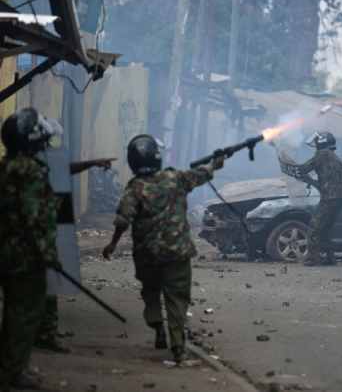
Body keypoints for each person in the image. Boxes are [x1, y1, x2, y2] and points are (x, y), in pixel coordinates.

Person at [103, 134, 225, 364]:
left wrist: (112, 244)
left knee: (151, 293)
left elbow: (123, 220)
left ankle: (157, 327)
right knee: (177, 298)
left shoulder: (134, 188)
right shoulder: (175, 178)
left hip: (147, 254)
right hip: (177, 253)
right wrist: (216, 162)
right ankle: (178, 345)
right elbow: (204, 173)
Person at [0, 108, 64, 391]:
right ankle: (13, 372)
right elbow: (35, 218)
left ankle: (10, 368)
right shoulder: (32, 172)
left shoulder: (6, 167)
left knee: (13, 312)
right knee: (24, 315)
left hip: (7, 250)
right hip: (25, 256)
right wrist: (49, 256)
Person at [36, 158, 115, 354]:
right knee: (31, 297)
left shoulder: (14, 169)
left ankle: (41, 334)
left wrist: (91, 163)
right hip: (30, 246)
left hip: (20, 247)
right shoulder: (30, 171)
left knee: (32, 295)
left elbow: (62, 168)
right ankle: (32, 343)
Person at [280, 132, 342, 266]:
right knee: (326, 227)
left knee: (315, 226)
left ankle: (313, 258)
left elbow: (304, 169)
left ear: (321, 142)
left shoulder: (322, 154)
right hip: (341, 196)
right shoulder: (331, 156)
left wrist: (290, 166)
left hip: (331, 196)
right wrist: (311, 181)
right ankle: (330, 258)